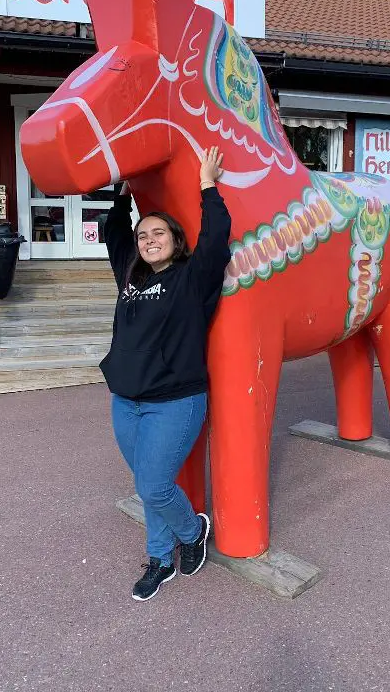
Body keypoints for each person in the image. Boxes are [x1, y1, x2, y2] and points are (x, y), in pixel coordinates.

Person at [101, 146, 231, 601]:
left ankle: (193, 532)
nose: (148, 239)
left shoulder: (190, 279)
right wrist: (122, 194)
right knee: (148, 486)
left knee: (153, 485)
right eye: (143, 235)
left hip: (175, 402)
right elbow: (113, 232)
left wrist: (207, 184)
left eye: (159, 233)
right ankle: (160, 559)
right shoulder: (130, 278)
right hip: (126, 402)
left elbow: (216, 239)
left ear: (175, 240)